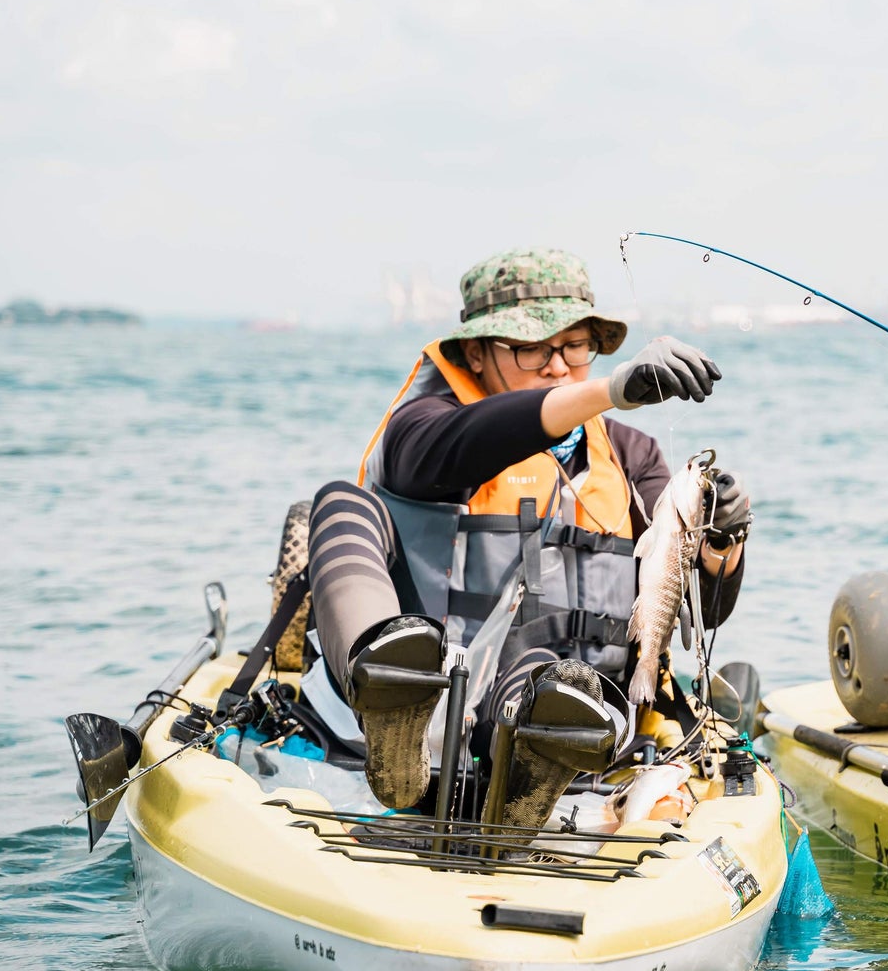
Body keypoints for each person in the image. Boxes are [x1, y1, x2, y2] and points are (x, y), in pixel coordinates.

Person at [305, 247, 754, 827]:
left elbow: (697, 612)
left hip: (568, 717)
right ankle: (391, 706)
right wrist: (611, 389)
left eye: (575, 346)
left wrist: (723, 542)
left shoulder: (633, 456)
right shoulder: (423, 431)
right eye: (533, 348)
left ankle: (531, 772)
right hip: (437, 701)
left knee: (544, 676)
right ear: (475, 352)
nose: (559, 366)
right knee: (341, 502)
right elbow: (478, 436)